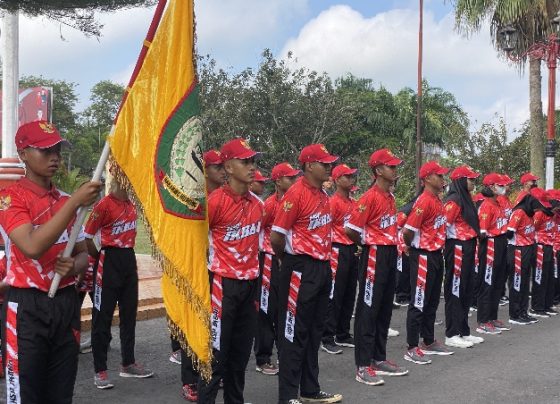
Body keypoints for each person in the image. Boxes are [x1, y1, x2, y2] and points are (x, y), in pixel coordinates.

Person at [0, 120, 101, 403]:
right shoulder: (9, 199)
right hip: (27, 308)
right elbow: (31, 246)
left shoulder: (66, 199)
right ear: (23, 154)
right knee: (25, 392)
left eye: (57, 149)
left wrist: (75, 265)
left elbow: (83, 252)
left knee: (61, 391)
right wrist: (73, 205)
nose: (54, 157)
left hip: (66, 303)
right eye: (45, 150)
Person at [271, 143, 342, 404]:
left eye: (330, 163)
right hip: (299, 267)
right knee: (293, 331)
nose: (329, 167)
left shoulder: (323, 195)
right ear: (309, 165)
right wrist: (285, 260)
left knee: (314, 330)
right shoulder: (295, 194)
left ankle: (310, 389)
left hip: (322, 267)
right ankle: (288, 395)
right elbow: (277, 236)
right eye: (324, 164)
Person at [198, 138, 263, 404]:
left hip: (250, 285)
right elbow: (198, 242)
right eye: (244, 161)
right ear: (228, 166)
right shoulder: (214, 202)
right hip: (222, 287)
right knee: (216, 357)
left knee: (239, 357)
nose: (251, 167)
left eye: (252, 161)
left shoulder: (258, 204)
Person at [345, 149, 409, 385]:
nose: (395, 170)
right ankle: (363, 364)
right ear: (378, 170)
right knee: (368, 308)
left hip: (391, 252)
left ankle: (378, 357)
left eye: (395, 166)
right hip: (374, 254)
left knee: (384, 307)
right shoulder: (368, 198)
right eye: (391, 167)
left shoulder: (390, 197)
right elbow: (350, 228)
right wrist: (366, 243)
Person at [86, 179, 153, 389]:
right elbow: (88, 237)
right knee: (102, 316)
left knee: (129, 314)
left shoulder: (131, 204)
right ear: (117, 179)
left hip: (128, 260)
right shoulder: (103, 205)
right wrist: (99, 257)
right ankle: (100, 370)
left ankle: (128, 363)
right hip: (108, 260)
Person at [402, 161, 453, 364]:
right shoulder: (423, 201)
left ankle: (428, 340)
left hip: (435, 254)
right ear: (427, 179)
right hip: (422, 255)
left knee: (432, 299)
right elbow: (407, 231)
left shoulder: (437, 200)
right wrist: (412, 247)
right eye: (439, 176)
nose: (442, 179)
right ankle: (412, 346)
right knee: (419, 300)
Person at [254, 162, 300, 376]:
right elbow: (257, 231)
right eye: (289, 178)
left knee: (285, 308)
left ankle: (284, 354)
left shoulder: (295, 201)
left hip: (287, 260)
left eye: (294, 177)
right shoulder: (270, 205)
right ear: (278, 181)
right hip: (269, 261)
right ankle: (263, 358)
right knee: (266, 309)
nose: (293, 181)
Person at [442, 166, 484, 349]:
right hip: (457, 247)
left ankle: (463, 330)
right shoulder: (454, 200)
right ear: (460, 180)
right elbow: (443, 226)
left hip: (468, 246)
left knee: (466, 289)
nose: (474, 183)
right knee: (456, 290)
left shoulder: (467, 199)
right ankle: (451, 333)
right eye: (470, 179)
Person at [321, 164, 358, 356]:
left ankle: (343, 333)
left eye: (352, 175)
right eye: (347, 176)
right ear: (336, 180)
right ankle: (327, 336)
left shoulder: (353, 203)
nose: (351, 179)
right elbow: (326, 229)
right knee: (335, 294)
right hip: (336, 250)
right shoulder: (332, 202)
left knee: (350, 292)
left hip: (351, 250)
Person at [475, 173, 510, 334]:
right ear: (491, 187)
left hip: (502, 242)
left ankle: (492, 317)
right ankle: (483, 321)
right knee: (487, 282)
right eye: (500, 185)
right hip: (490, 244)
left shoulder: (498, 203)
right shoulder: (486, 205)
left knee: (498, 281)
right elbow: (482, 231)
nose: (504, 188)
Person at [506, 189, 541, 325]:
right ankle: (515, 315)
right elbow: (510, 232)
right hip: (518, 250)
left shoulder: (529, 213)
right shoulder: (519, 212)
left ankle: (523, 311)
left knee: (526, 282)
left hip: (528, 248)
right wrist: (519, 242)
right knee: (517, 281)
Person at [528, 188, 557, 318]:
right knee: (540, 277)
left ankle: (547, 304)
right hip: (540, 247)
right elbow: (532, 229)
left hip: (550, 246)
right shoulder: (540, 214)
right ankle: (537, 307)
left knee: (549, 277)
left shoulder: (553, 214)